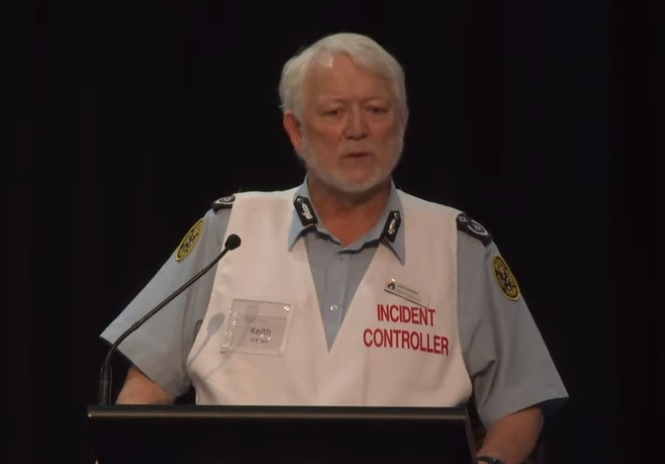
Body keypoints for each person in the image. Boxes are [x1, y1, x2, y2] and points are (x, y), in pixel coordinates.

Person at [100, 31, 568, 464]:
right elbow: (148, 382)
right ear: (296, 130)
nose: (357, 128)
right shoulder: (231, 230)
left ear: (403, 122)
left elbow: (520, 404)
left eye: (376, 110)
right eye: (334, 112)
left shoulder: (458, 244)